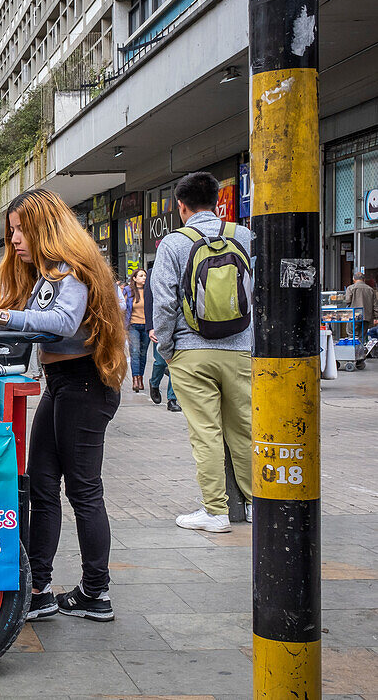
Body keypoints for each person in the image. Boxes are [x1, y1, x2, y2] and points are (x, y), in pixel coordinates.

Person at [0, 189, 126, 622]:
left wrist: (3, 316)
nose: (13, 240)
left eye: (19, 230)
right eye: (12, 231)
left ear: (43, 227)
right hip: (61, 384)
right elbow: (33, 324)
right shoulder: (50, 275)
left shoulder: (72, 271)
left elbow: (64, 323)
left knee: (84, 490)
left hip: (85, 385)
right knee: (44, 486)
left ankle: (96, 592)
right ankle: (40, 588)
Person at [152, 172, 253, 533]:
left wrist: (166, 349)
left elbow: (163, 304)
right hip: (241, 347)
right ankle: (257, 503)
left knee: (205, 432)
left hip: (191, 351)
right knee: (245, 426)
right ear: (216, 201)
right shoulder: (243, 237)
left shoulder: (173, 244)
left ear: (181, 206)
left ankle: (215, 512)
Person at [145, 268, 180, 412]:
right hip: (160, 325)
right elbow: (149, 300)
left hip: (178, 325)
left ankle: (172, 399)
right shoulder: (153, 272)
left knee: (175, 364)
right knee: (160, 362)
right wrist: (151, 327)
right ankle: (154, 383)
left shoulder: (181, 267)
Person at [125, 268, 150, 392]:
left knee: (143, 354)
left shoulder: (149, 292)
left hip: (146, 326)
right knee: (135, 352)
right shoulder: (128, 291)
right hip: (133, 326)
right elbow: (123, 308)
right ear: (134, 278)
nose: (144, 278)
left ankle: (141, 378)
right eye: (141, 276)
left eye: (145, 276)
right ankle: (135, 379)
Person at [344, 272, 378, 340]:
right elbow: (375, 306)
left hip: (354, 315)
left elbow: (347, 301)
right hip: (366, 317)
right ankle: (361, 350)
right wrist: (376, 317)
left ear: (354, 279)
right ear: (364, 279)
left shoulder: (351, 288)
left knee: (352, 335)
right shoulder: (370, 289)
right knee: (362, 336)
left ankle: (353, 350)